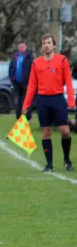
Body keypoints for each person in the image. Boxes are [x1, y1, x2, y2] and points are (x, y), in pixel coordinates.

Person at [22, 34, 75, 172]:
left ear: (54, 45)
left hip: (57, 99)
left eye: (49, 42)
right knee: (46, 132)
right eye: (44, 43)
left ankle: (67, 159)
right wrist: (26, 104)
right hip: (42, 100)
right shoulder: (36, 63)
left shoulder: (62, 60)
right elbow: (32, 85)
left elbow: (68, 82)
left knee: (64, 131)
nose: (46, 45)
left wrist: (71, 101)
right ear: (42, 46)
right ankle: (49, 164)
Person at [9, 40, 34, 120]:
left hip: (26, 83)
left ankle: (27, 117)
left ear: (26, 47)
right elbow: (11, 68)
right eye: (20, 47)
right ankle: (18, 117)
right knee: (17, 101)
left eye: (22, 47)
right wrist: (12, 78)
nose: (21, 48)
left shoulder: (29, 57)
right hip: (16, 82)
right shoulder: (15, 56)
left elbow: (32, 69)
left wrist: (30, 81)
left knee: (26, 101)